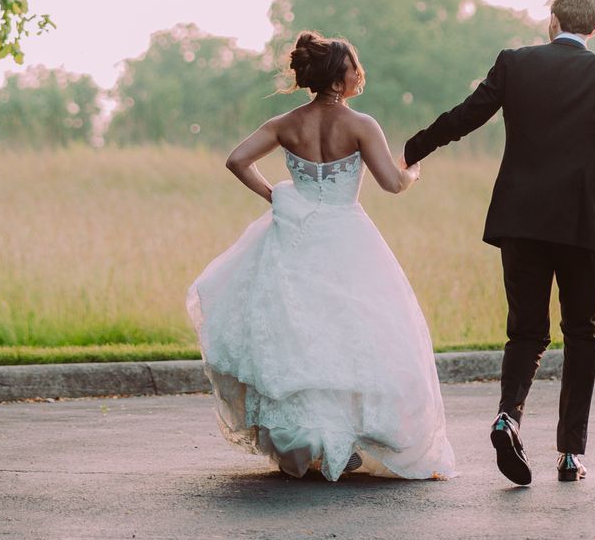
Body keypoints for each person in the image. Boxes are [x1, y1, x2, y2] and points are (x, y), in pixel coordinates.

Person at [402, 0, 595, 485]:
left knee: (526, 330)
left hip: (521, 219)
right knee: (580, 333)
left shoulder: (515, 63)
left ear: (552, 19)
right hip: (582, 221)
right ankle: (570, 456)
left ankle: (508, 416)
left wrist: (413, 149)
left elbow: (467, 117)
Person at [186, 32, 457, 482]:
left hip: (296, 234)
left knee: (300, 332)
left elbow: (237, 160)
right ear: (339, 76)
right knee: (354, 329)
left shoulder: (285, 124)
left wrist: (275, 195)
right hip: (348, 236)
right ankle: (347, 435)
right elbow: (390, 183)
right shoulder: (361, 125)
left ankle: (313, 437)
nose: (360, 73)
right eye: (354, 66)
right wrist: (412, 173)